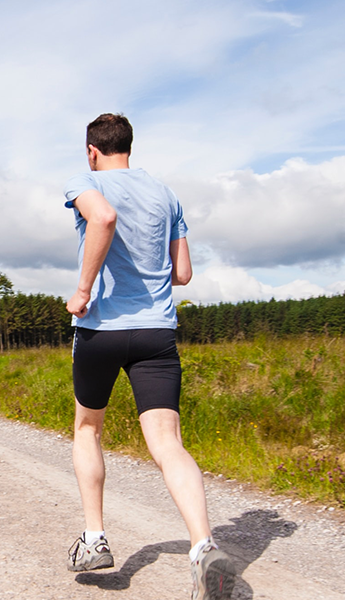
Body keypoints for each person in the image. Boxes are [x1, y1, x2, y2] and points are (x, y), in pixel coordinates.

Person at [61, 113, 229, 599]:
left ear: (92, 151)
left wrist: (83, 290)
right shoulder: (166, 194)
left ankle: (95, 539)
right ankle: (203, 546)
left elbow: (103, 217)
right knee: (167, 442)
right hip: (156, 332)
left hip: (100, 329)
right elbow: (182, 273)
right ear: (129, 147)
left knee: (88, 428)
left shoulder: (86, 183)